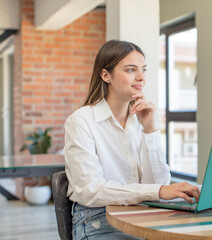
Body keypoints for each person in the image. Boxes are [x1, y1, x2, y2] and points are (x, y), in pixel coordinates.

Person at [64, 40, 201, 240]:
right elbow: (89, 191)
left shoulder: (141, 119)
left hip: (144, 214)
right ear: (105, 75)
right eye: (130, 70)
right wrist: (159, 191)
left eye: (143, 70)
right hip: (98, 219)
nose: (140, 77)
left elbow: (158, 184)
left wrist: (150, 129)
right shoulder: (81, 121)